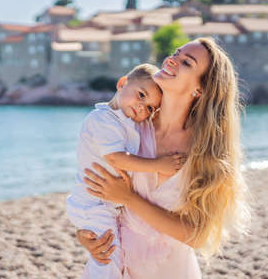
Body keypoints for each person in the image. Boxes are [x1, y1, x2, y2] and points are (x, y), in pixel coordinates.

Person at [76, 37, 251, 279]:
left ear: (200, 90)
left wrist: (129, 198)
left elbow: (197, 236)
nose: (172, 60)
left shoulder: (206, 151)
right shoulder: (129, 127)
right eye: (176, 53)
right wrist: (87, 233)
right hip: (116, 265)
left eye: (186, 62)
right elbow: (93, 188)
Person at [66, 63, 187, 279]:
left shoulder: (128, 123)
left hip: (106, 204)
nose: (143, 108)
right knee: (107, 256)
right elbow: (116, 158)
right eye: (141, 95)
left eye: (150, 108)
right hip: (92, 203)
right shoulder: (103, 119)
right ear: (122, 83)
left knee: (110, 255)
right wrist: (159, 164)